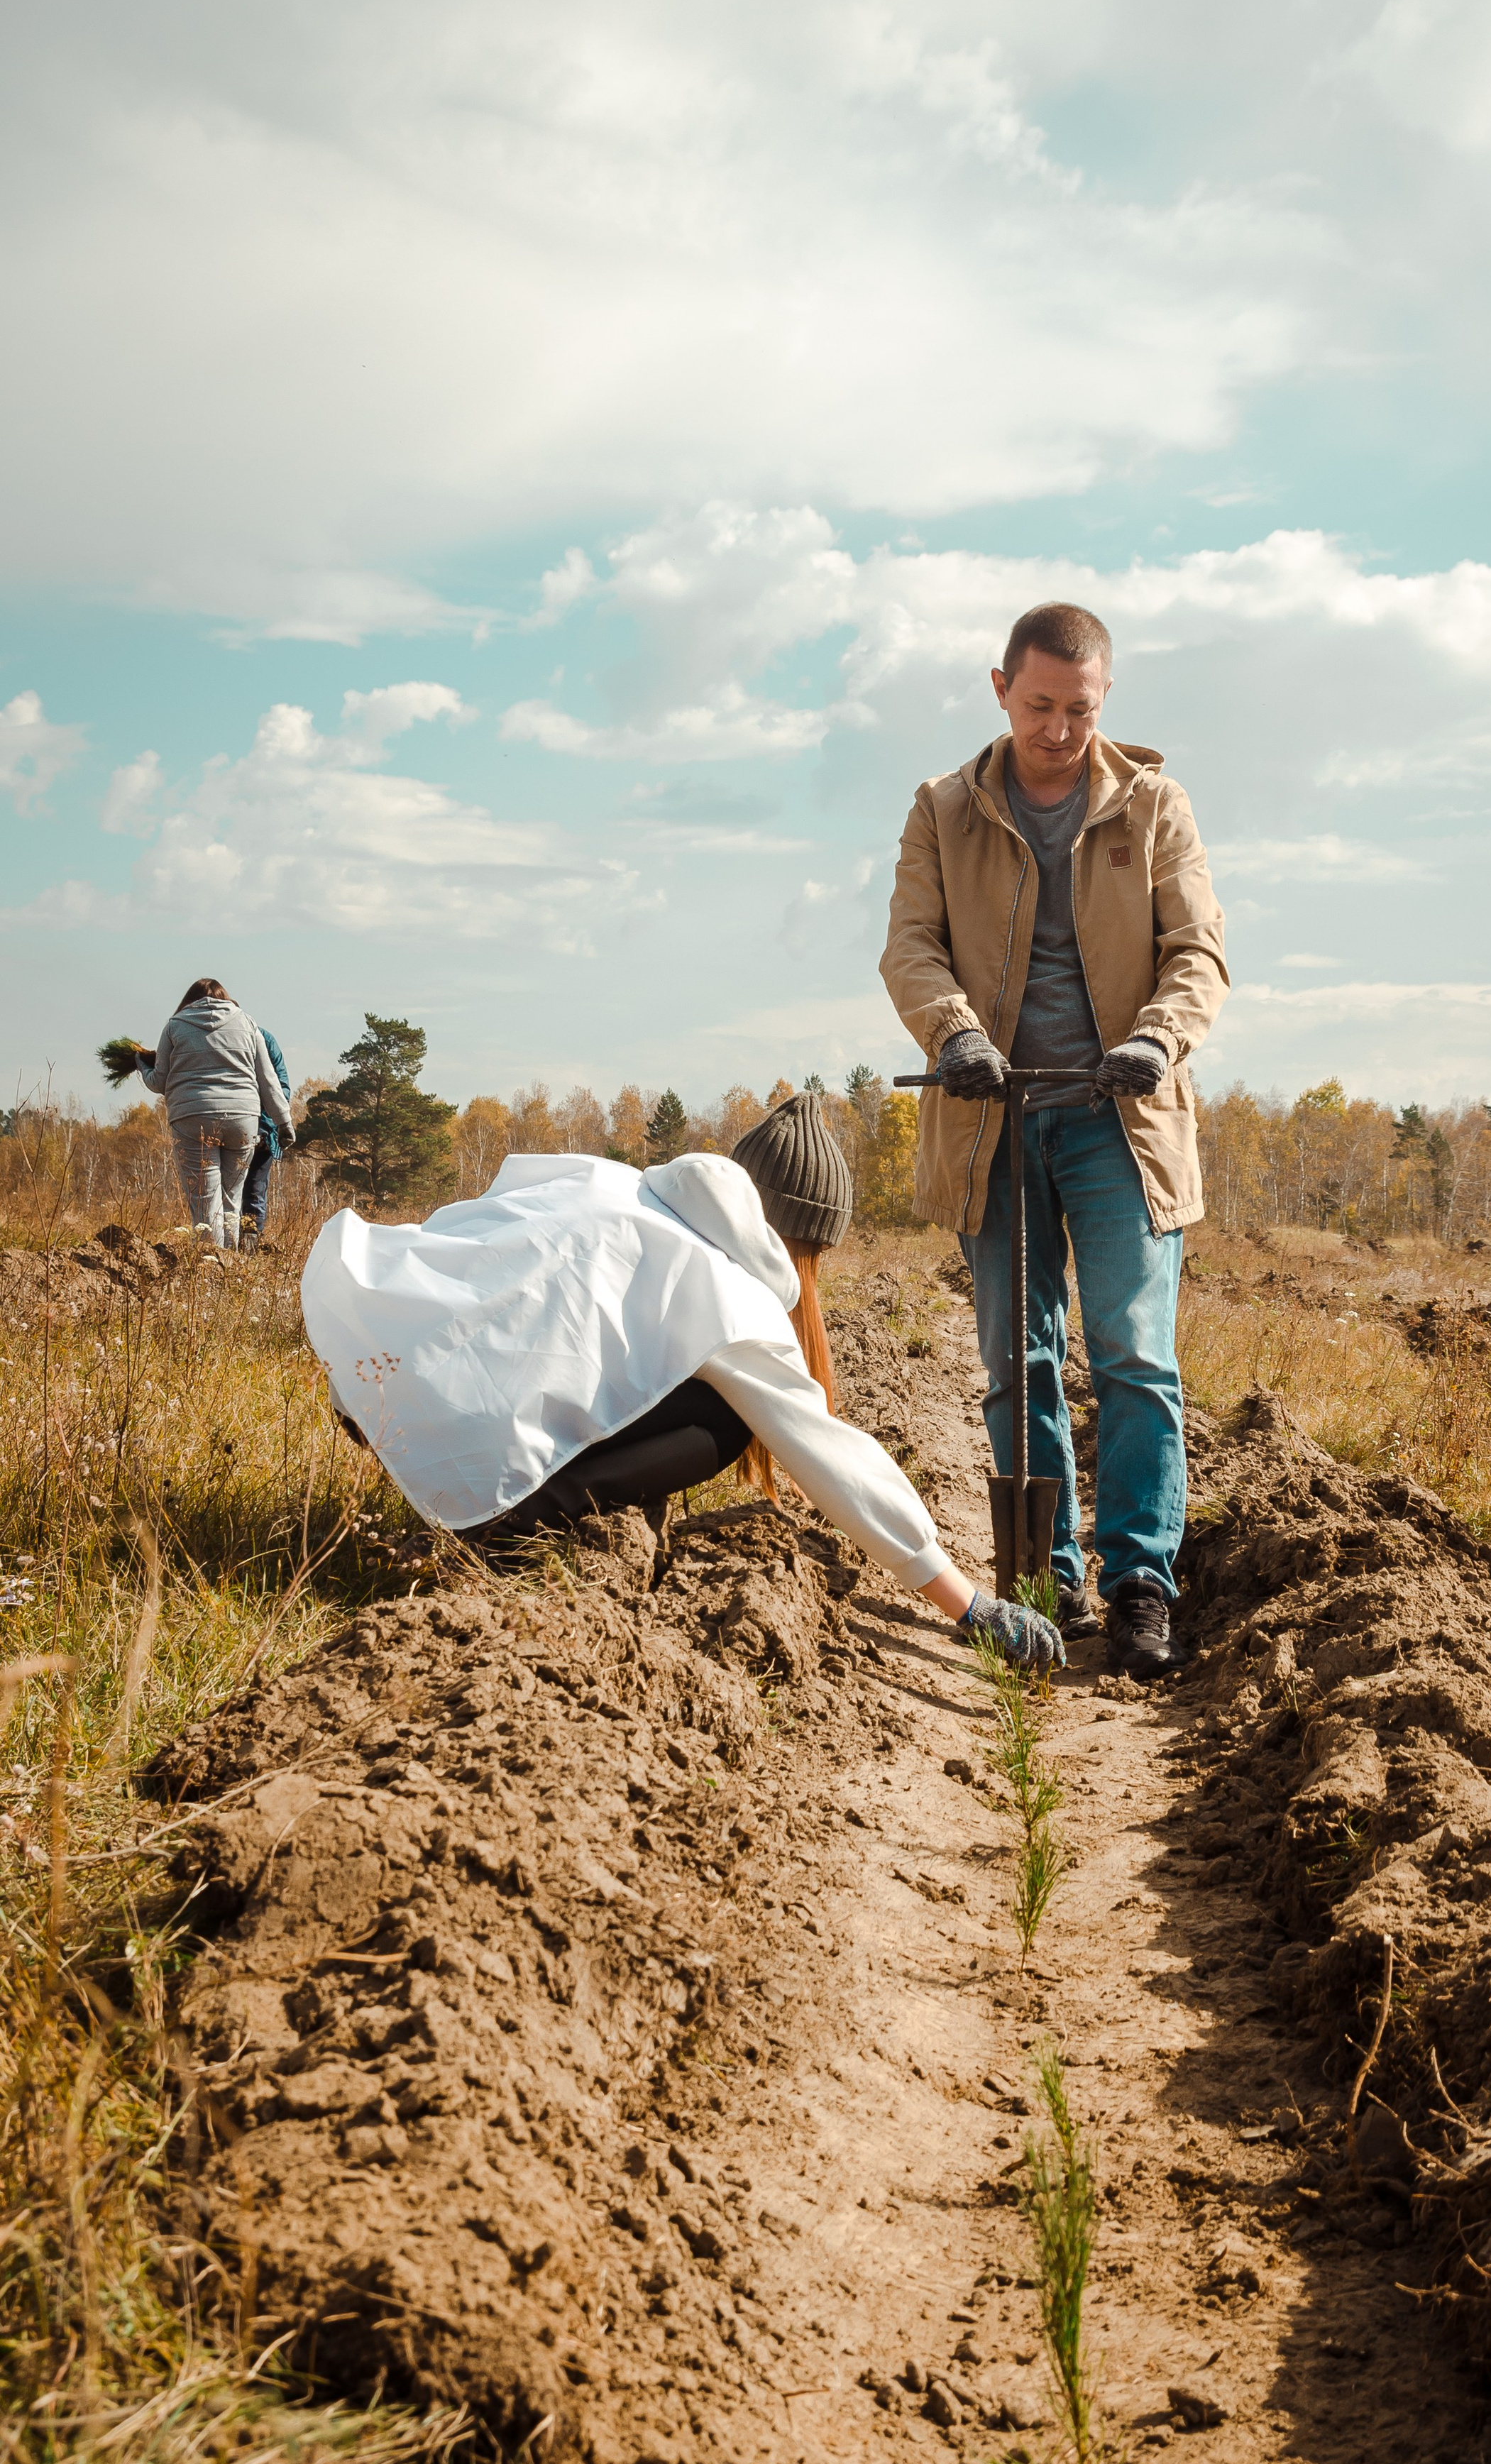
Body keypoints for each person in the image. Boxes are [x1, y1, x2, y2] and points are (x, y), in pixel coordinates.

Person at [301, 1089, 1062, 1668]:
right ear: (804, 1241)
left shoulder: (608, 1182)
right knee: (725, 1420)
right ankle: (500, 1533)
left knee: (662, 1376)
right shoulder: (729, 1295)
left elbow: (487, 1211)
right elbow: (833, 1459)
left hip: (370, 1372)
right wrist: (970, 1607)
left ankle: (487, 1496)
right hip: (467, 1445)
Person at [879, 601, 1228, 1681]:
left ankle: (1138, 1589)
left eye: (1079, 709)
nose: (1059, 729)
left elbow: (1200, 955)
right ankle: (1047, 1577)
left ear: (1105, 700)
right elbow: (911, 950)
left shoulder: (1155, 805)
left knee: (1133, 1352)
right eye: (1039, 706)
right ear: (1000, 689)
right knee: (1014, 1359)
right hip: (997, 1121)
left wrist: (1155, 1043)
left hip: (1120, 1121)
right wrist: (959, 1036)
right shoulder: (944, 810)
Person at [135, 979, 295, 1255]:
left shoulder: (175, 1025)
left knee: (205, 1199)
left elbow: (160, 1082)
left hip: (192, 1117)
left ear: (189, 1001)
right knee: (232, 1198)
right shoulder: (247, 1022)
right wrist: (284, 1122)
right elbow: (268, 1080)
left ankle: (211, 1265)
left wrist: (141, 1066)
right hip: (243, 1118)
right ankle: (230, 1266)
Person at [238, 1021, 292, 1248]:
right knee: (248, 1190)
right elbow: (282, 1087)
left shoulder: (263, 1039)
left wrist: (265, 1127)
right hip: (246, 1126)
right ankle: (229, 1248)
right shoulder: (262, 1037)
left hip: (260, 1130)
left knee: (252, 1189)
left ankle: (247, 1249)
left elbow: (280, 1088)